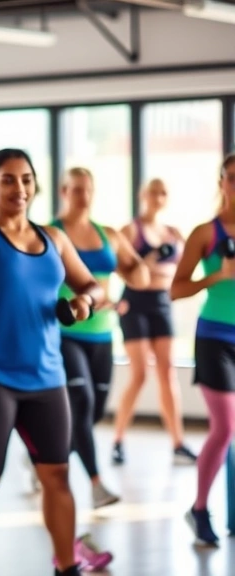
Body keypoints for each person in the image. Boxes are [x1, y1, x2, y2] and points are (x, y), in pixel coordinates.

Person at [0, 149, 107, 576]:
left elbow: (92, 284)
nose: (20, 188)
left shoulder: (54, 238)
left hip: (47, 377)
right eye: (9, 180)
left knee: (57, 476)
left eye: (27, 179)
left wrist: (86, 302)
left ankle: (67, 566)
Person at [50, 167, 150, 510]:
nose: (84, 195)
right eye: (76, 189)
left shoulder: (108, 234)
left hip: (103, 332)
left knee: (92, 414)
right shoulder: (53, 234)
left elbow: (138, 270)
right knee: (81, 402)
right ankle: (95, 484)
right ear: (64, 191)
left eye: (88, 189)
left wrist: (134, 276)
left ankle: (49, 454)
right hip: (66, 333)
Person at [170, 153, 235, 548]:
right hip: (215, 339)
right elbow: (176, 289)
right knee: (225, 427)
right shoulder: (204, 233)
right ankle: (199, 508)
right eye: (232, 177)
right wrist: (217, 275)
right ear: (222, 182)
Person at [114, 178, 197, 465]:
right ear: (143, 195)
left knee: (167, 373)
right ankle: (118, 440)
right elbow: (119, 268)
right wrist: (145, 261)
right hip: (135, 303)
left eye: (164, 192)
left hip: (162, 303)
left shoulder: (173, 233)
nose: (159, 197)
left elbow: (189, 266)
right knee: (140, 374)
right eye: (154, 192)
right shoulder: (130, 230)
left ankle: (178, 443)